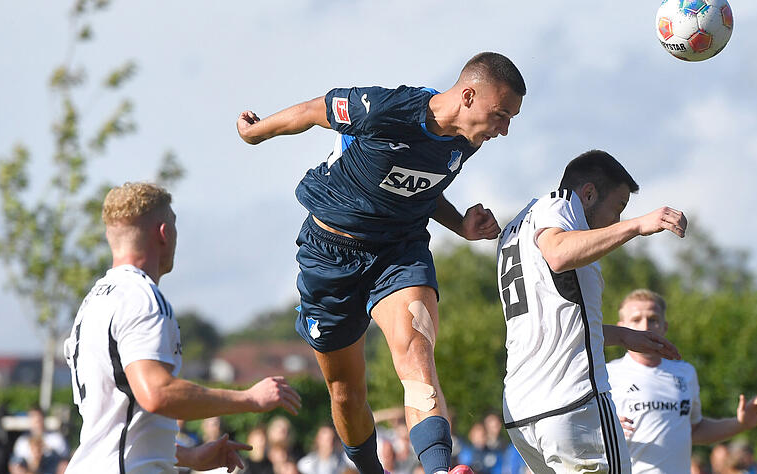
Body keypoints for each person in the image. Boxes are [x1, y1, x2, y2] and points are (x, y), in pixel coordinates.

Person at [236, 52, 525, 474]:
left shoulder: (467, 140)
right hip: (329, 254)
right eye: (501, 115)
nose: (504, 129)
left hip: (398, 252)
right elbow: (314, 110)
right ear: (468, 96)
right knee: (345, 393)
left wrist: (461, 225)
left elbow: (419, 190)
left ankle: (439, 469)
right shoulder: (387, 110)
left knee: (417, 354)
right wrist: (255, 133)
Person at [62, 182, 302, 473]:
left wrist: (190, 457)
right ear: (163, 233)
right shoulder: (141, 297)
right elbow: (157, 393)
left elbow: (119, 419)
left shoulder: (93, 302)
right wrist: (249, 398)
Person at [495, 150, 687, 473]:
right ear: (588, 194)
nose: (618, 220)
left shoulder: (516, 227)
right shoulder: (559, 204)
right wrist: (638, 225)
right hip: (572, 401)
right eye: (619, 207)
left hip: (523, 412)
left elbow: (556, 325)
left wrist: (624, 336)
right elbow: (558, 253)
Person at [607, 289, 757, 474]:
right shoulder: (606, 374)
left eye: (653, 319)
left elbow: (694, 429)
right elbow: (581, 432)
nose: (645, 326)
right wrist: (599, 430)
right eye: (636, 320)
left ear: (664, 326)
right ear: (621, 328)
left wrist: (740, 424)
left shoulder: (685, 372)